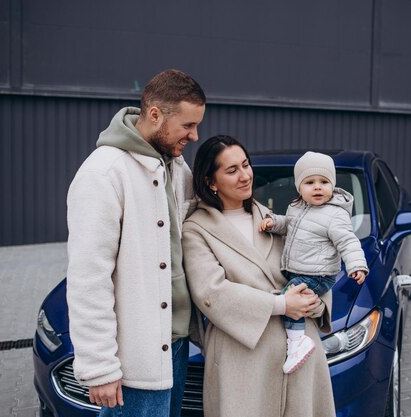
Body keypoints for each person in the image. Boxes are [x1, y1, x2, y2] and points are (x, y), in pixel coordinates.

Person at [66, 69, 206, 417]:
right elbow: (88, 280)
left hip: (174, 344)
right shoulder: (104, 173)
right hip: (134, 359)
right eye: (188, 125)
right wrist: (99, 367)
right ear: (155, 114)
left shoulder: (174, 165)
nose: (194, 134)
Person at [182, 135, 336, 417]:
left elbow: (318, 261)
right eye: (232, 170)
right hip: (242, 360)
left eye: (246, 165)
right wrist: (281, 305)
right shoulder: (196, 229)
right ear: (210, 182)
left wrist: (316, 300)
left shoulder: (274, 218)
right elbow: (211, 292)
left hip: (300, 358)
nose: (244, 176)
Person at [258, 151, 369, 374]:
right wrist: (273, 223)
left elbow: (348, 241)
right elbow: (289, 225)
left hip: (318, 275)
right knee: (291, 293)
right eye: (310, 182)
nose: (317, 187)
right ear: (300, 187)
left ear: (333, 185)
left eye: (324, 182)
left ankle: (298, 342)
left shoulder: (335, 215)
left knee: (291, 296)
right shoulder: (296, 208)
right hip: (300, 269)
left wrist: (357, 265)